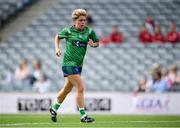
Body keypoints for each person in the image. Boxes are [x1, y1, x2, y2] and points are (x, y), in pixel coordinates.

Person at [50, 9, 99, 123]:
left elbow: (97, 43)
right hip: (68, 63)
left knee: (67, 88)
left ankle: (54, 108)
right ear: (75, 20)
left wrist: (93, 44)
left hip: (78, 65)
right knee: (80, 88)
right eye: (80, 20)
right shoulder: (68, 31)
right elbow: (57, 36)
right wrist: (57, 48)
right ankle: (83, 115)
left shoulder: (89, 32)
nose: (83, 22)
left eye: (84, 20)